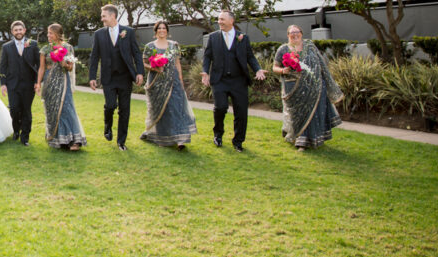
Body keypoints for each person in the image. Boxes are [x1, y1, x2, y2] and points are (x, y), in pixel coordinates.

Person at [201, 10, 267, 152]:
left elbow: (250, 57)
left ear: (232, 21)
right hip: (219, 80)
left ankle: (238, 141)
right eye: (218, 19)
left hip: (239, 81)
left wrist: (258, 69)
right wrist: (205, 72)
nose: (219, 22)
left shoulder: (243, 38)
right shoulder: (213, 38)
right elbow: (207, 57)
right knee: (220, 107)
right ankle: (218, 135)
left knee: (241, 112)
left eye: (222, 19)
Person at [272, 25, 343, 150]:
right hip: (293, 89)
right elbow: (274, 67)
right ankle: (297, 137)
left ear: (301, 33)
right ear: (288, 35)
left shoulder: (310, 46)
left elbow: (321, 64)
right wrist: (283, 70)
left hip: (315, 86)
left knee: (314, 112)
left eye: (297, 32)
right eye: (291, 33)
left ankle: (307, 140)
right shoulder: (283, 49)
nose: (295, 35)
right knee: (297, 114)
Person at [88, 4, 144, 150]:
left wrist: (139, 72)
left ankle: (121, 141)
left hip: (125, 77)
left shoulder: (128, 32)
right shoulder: (99, 34)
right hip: (108, 77)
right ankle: (108, 126)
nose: (102, 19)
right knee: (111, 105)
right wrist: (92, 77)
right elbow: (94, 57)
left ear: (112, 16)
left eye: (103, 16)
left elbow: (137, 53)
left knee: (125, 110)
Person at [140, 21, 197, 150]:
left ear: (167, 31)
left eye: (164, 28)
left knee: (177, 109)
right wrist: (155, 68)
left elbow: (177, 63)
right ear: (155, 31)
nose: (161, 30)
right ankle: (160, 136)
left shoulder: (174, 45)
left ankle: (180, 139)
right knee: (161, 111)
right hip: (157, 83)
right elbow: (144, 63)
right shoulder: (150, 46)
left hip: (174, 81)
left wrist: (181, 79)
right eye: (159, 28)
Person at [36, 23, 87, 150]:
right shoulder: (45, 50)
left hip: (63, 82)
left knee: (66, 108)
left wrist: (64, 63)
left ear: (58, 34)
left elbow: (70, 67)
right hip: (49, 82)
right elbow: (41, 68)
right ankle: (58, 139)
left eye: (50, 33)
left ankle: (74, 140)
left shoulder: (67, 47)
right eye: (48, 33)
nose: (48, 35)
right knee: (52, 109)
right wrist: (38, 83)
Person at [0, 20, 39, 145]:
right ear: (12, 32)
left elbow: (39, 64)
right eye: (16, 30)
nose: (18, 32)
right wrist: (3, 83)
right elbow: (2, 67)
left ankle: (25, 137)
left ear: (24, 30)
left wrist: (37, 82)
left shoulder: (33, 44)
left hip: (29, 84)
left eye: (20, 29)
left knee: (26, 110)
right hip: (12, 84)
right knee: (14, 109)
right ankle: (16, 130)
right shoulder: (6, 47)